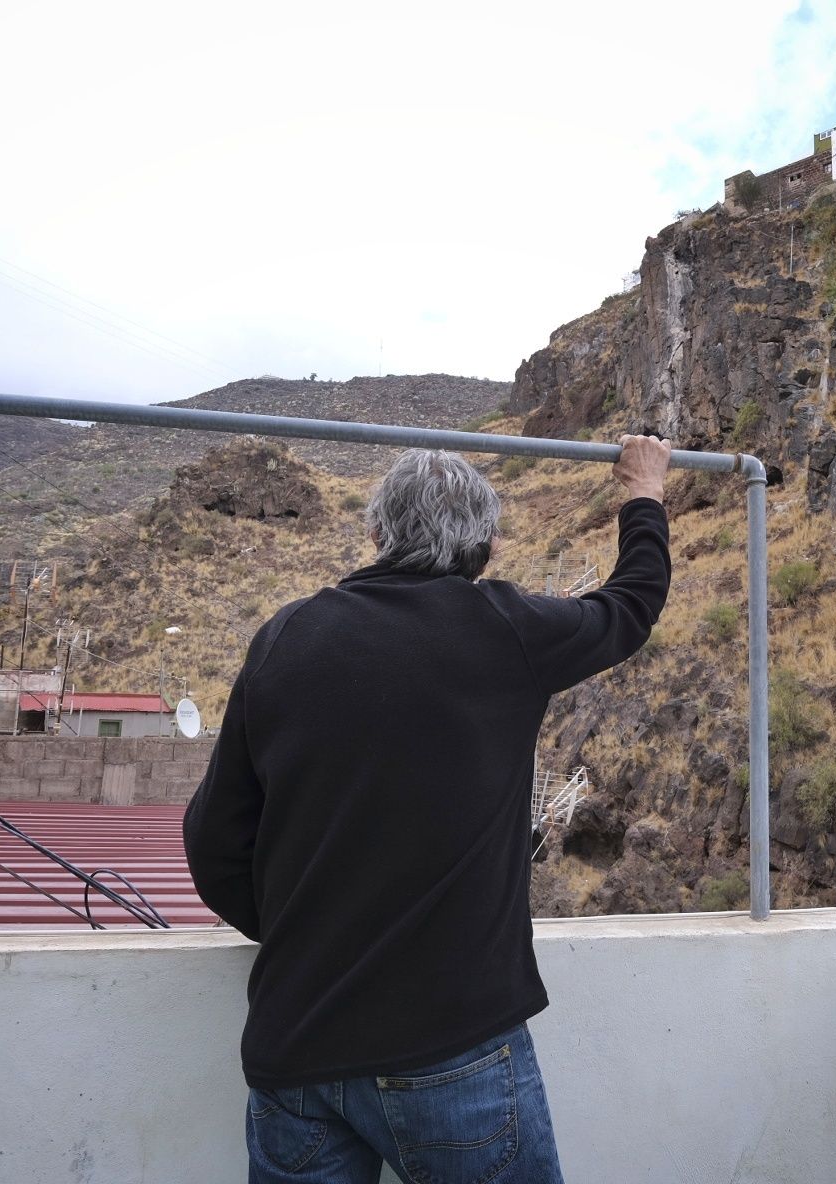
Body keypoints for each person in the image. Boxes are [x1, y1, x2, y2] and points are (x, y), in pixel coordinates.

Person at [183, 434, 673, 1184]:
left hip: (295, 1053)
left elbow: (214, 843)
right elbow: (631, 604)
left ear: (376, 534)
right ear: (487, 544)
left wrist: (301, 933)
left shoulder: (284, 636)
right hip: (454, 1055)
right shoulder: (506, 630)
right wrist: (642, 493)